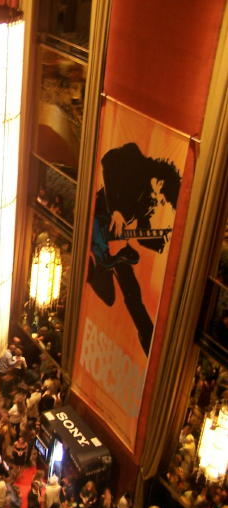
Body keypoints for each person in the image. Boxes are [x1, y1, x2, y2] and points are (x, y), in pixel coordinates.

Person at [87, 142, 181, 354]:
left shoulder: (147, 206)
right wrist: (117, 210)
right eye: (159, 198)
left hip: (115, 243)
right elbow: (107, 160)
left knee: (131, 293)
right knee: (109, 293)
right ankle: (97, 270)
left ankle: (148, 337)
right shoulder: (133, 156)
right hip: (100, 217)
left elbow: (143, 238)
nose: (157, 204)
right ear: (158, 181)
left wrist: (163, 243)